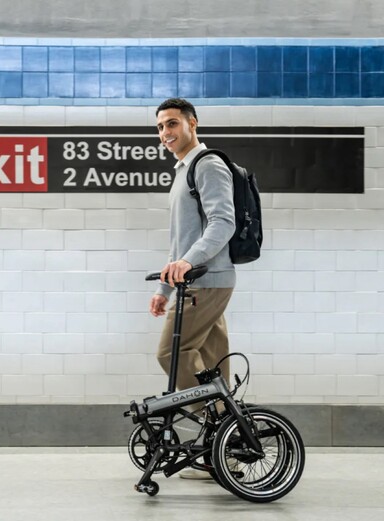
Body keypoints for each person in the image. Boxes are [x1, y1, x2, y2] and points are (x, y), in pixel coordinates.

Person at [149, 98, 236, 480]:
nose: (165, 133)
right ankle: (227, 454)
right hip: (197, 280)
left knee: (171, 353)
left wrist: (188, 262)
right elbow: (179, 242)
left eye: (172, 124)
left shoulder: (207, 165)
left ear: (192, 124)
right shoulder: (183, 171)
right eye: (160, 127)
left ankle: (222, 433)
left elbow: (224, 222)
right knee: (215, 369)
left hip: (207, 280)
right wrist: (163, 290)